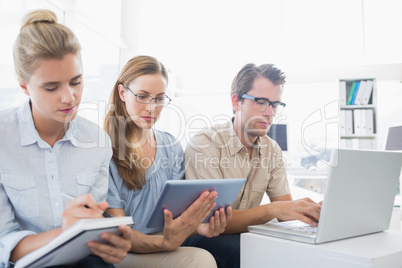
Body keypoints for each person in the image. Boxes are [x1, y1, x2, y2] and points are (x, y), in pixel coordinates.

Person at [0, 10, 132, 268]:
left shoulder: (96, 141)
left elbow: (93, 221)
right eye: (52, 87)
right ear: (24, 86)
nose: (69, 97)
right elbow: (4, 243)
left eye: (76, 82)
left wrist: (111, 245)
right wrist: (65, 232)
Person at [183, 63, 322, 267]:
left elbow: (284, 208)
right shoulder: (206, 145)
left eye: (275, 104)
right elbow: (213, 222)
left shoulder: (271, 149)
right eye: (261, 102)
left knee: (294, 248)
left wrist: (311, 213)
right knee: (244, 250)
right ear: (236, 102)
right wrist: (275, 210)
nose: (270, 112)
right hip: (202, 236)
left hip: (243, 235)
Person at [103, 55, 232, 268]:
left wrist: (199, 226)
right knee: (201, 260)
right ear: (122, 93)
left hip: (164, 244)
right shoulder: (105, 150)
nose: (152, 108)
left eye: (160, 98)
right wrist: (165, 242)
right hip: (125, 251)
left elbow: (177, 216)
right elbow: (120, 234)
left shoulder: (170, 145)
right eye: (143, 96)